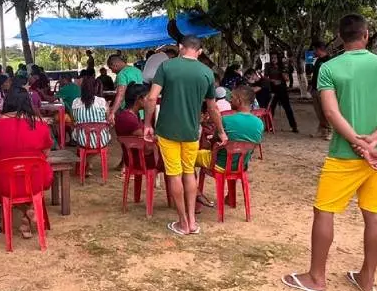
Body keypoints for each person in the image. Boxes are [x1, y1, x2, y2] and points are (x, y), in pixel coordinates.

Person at [282, 14, 377, 291]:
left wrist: (357, 141)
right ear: (367, 34)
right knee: (373, 213)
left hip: (345, 153)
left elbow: (330, 112)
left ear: (340, 37)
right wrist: (374, 140)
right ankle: (366, 279)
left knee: (324, 211)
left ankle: (316, 277)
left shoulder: (330, 68)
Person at [143, 36, 226, 236]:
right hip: (191, 131)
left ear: (180, 48)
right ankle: (193, 221)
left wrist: (147, 124)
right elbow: (212, 107)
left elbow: (151, 97)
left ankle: (182, 222)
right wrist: (221, 130)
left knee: (174, 174)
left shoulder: (166, 67)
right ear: (199, 51)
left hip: (167, 130)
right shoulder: (206, 72)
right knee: (189, 172)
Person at [0, 89, 53, 239]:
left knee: (8, 187)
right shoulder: (39, 125)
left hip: (3, 181)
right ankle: (28, 213)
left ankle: (27, 215)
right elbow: (46, 153)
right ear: (28, 103)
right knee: (31, 185)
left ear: (7, 102)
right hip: (36, 178)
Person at [194, 86, 264, 207]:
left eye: (232, 98)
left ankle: (195, 195)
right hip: (241, 165)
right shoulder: (259, 123)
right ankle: (229, 197)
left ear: (240, 101)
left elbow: (215, 141)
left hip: (218, 164)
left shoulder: (225, 120)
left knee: (186, 158)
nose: (229, 101)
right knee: (232, 157)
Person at [70, 72, 112, 151]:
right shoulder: (102, 101)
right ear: (95, 88)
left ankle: (83, 159)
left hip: (82, 141)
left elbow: (73, 121)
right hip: (101, 141)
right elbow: (108, 120)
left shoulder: (75, 102)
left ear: (81, 88)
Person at [106, 53, 145, 123]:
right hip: (141, 110)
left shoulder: (122, 74)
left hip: (128, 111)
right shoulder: (137, 71)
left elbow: (120, 95)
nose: (112, 71)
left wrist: (112, 112)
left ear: (115, 65)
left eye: (111, 68)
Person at [267, 60, 298, 132]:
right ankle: (269, 126)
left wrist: (284, 75)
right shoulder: (268, 66)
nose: (273, 59)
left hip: (282, 89)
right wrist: (272, 80)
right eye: (272, 57)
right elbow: (265, 77)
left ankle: (294, 126)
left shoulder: (282, 67)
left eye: (275, 57)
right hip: (273, 90)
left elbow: (287, 79)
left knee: (287, 108)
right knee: (271, 108)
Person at [310, 41, 332, 140]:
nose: (313, 51)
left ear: (319, 49)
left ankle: (329, 131)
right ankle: (322, 130)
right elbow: (315, 75)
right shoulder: (318, 60)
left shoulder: (329, 60)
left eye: (314, 49)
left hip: (323, 90)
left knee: (325, 111)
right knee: (318, 111)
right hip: (315, 89)